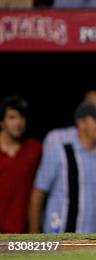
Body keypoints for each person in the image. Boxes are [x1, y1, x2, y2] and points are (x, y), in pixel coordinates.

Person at [29, 101, 96, 233]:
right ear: (81, 123)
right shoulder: (58, 152)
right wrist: (35, 237)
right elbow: (38, 194)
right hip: (61, 239)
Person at [0, 96, 41, 233]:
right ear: (2, 122)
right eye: (12, 117)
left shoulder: (34, 149)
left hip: (24, 234)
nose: (18, 123)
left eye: (21, 117)